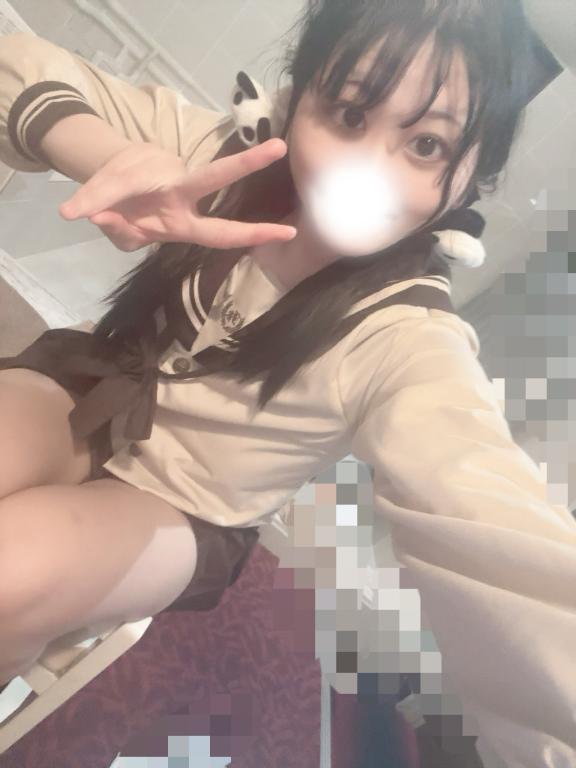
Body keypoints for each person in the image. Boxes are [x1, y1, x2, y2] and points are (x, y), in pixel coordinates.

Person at [0, 1, 574, 765]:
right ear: (298, 95)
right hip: (88, 384)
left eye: (426, 144)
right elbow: (17, 66)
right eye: (350, 113)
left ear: (474, 172)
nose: (364, 169)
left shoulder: (407, 338)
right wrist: (108, 156)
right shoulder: (221, 159)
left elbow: (494, 524)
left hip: (186, 505)